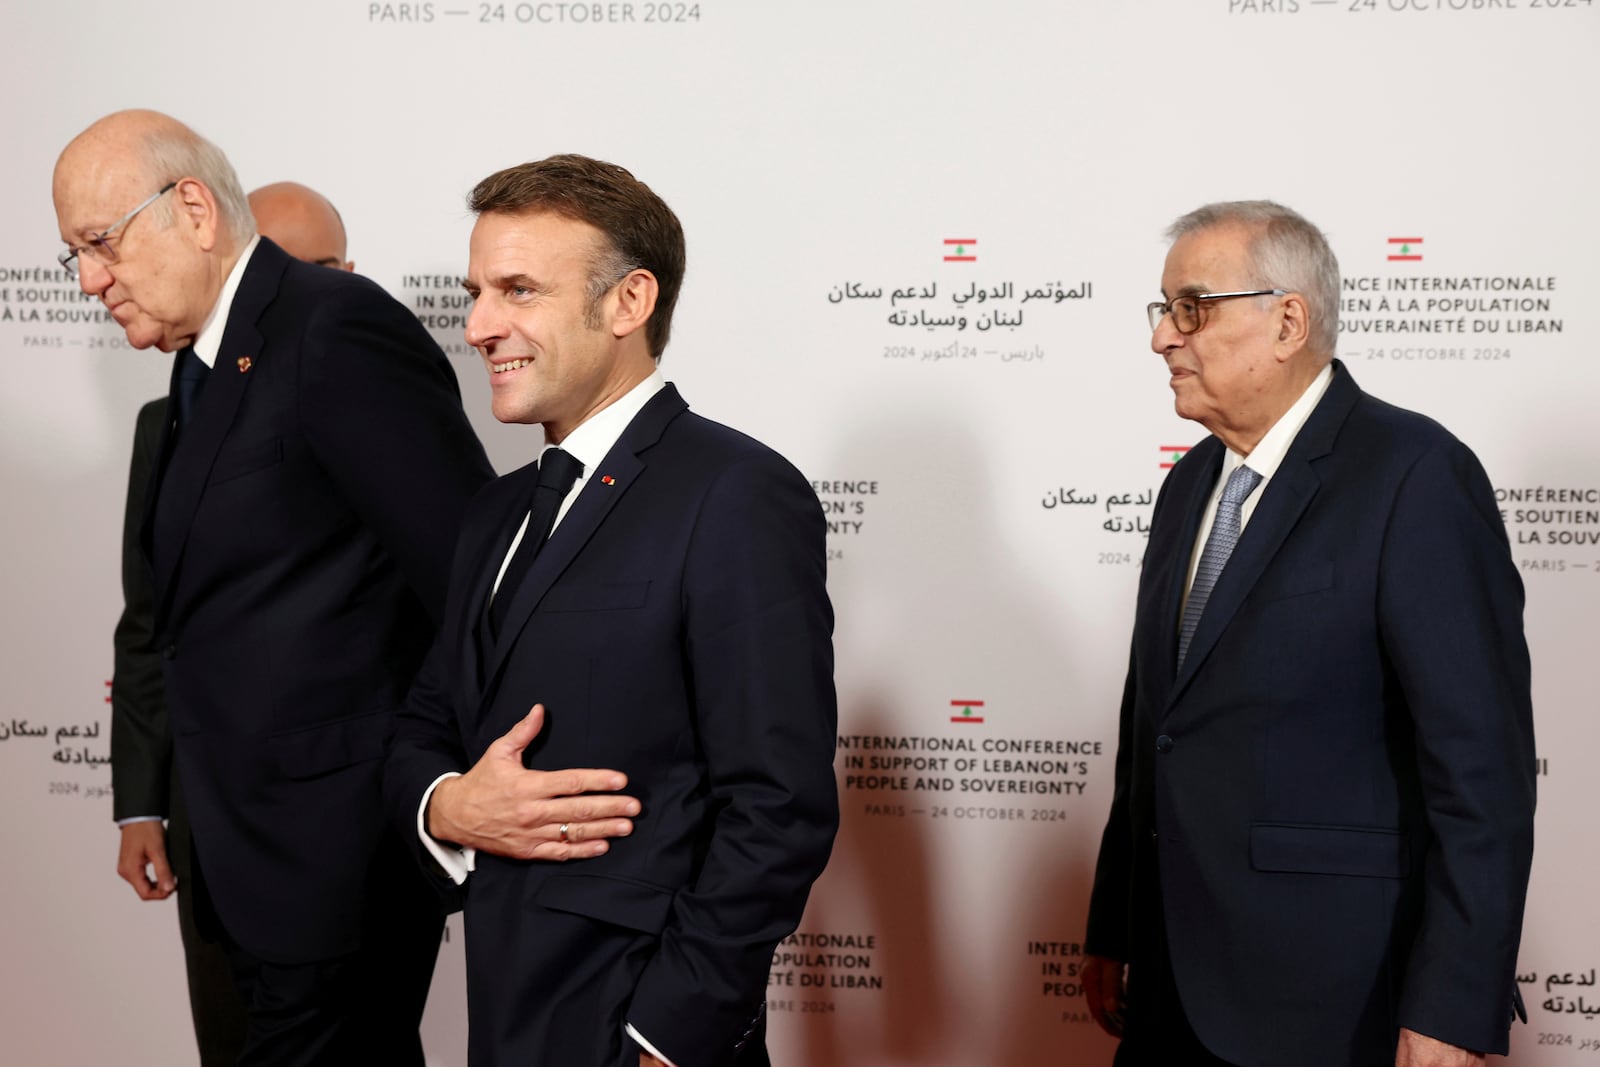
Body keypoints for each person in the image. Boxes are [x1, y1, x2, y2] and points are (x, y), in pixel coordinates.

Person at [57, 109, 496, 1065]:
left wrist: (433, 793)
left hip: (338, 870)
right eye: (74, 256)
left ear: (193, 210)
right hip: (239, 858)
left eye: (100, 244)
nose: (89, 280)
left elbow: (467, 578)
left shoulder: (335, 328)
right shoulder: (198, 366)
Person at [384, 154, 839, 1067]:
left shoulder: (737, 494)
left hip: (641, 1026)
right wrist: (450, 806)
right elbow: (422, 726)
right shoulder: (496, 512)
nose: (477, 326)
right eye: (476, 291)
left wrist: (667, 1034)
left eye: (517, 289)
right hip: (503, 1016)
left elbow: (777, 804)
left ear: (629, 303)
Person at [1082, 201, 1535, 1067]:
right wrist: (1116, 921)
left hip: (1336, 1002)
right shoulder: (1188, 487)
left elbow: (1482, 773)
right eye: (1162, 310)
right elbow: (1156, 731)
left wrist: (1454, 1002)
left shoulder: (1416, 475)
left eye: (1192, 307)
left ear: (1287, 319)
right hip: (1169, 985)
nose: (1163, 338)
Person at [108, 179, 366, 1066]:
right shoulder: (167, 417)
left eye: (310, 271)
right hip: (204, 822)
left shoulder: (365, 390)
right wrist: (141, 801)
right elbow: (149, 621)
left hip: (329, 828)